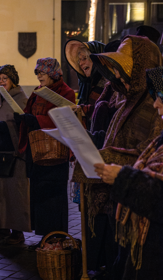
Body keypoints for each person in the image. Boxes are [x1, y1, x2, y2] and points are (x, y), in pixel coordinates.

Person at [73, 35, 163, 279]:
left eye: (124, 69)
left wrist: (109, 161)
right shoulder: (127, 100)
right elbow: (114, 139)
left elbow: (149, 159)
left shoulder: (152, 104)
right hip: (119, 203)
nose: (119, 76)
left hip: (142, 215)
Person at [93, 65, 163, 280]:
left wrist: (121, 176)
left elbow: (158, 196)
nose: (156, 103)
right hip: (143, 242)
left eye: (161, 96)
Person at [17, 58, 75, 249]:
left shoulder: (65, 92)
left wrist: (36, 120)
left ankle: (56, 237)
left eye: (42, 72)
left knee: (54, 197)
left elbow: (64, 119)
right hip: (37, 152)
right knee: (39, 195)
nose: (39, 76)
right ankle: (45, 237)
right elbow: (29, 111)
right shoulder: (37, 92)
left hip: (55, 154)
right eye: (37, 73)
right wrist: (24, 118)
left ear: (52, 73)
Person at [0, 64, 30, 244]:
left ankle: (17, 231)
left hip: (14, 153)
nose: (1, 82)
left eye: (5, 79)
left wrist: (7, 127)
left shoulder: (20, 98)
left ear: (13, 80)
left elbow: (23, 125)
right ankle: (1, 227)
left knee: (14, 192)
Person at [64, 39, 106, 129]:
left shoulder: (108, 83)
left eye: (84, 58)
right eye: (79, 60)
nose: (81, 63)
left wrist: (83, 109)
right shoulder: (87, 84)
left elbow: (107, 112)